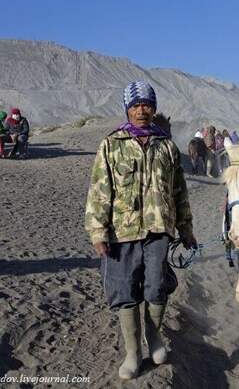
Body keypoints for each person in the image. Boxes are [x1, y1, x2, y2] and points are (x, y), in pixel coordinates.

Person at [85, 80, 197, 380]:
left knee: (156, 286)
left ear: (154, 108)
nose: (141, 110)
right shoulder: (112, 144)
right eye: (135, 105)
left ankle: (155, 338)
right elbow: (99, 191)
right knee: (125, 291)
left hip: (160, 230)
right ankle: (133, 353)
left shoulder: (167, 146)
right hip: (121, 233)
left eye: (146, 104)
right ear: (127, 109)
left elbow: (179, 191)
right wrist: (98, 232)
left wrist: (186, 228)